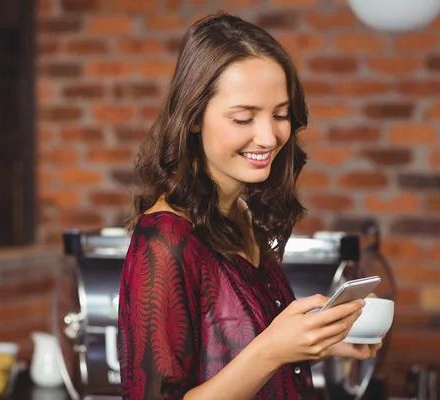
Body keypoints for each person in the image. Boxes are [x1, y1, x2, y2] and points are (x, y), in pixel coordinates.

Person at [117, 12, 382, 400]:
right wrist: (272, 350)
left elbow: (232, 358)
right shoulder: (164, 239)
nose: (269, 136)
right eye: (243, 119)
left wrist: (319, 341)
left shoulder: (240, 215)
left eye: (280, 114)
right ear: (193, 118)